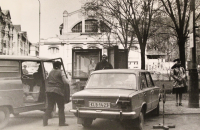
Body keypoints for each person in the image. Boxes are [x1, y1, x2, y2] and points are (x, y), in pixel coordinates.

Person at [43, 61, 69, 126]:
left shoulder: (50, 72)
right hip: (58, 91)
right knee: (61, 107)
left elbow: (47, 80)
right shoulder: (60, 72)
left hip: (49, 91)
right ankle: (61, 123)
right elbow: (66, 82)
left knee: (50, 106)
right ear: (60, 66)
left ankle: (45, 121)